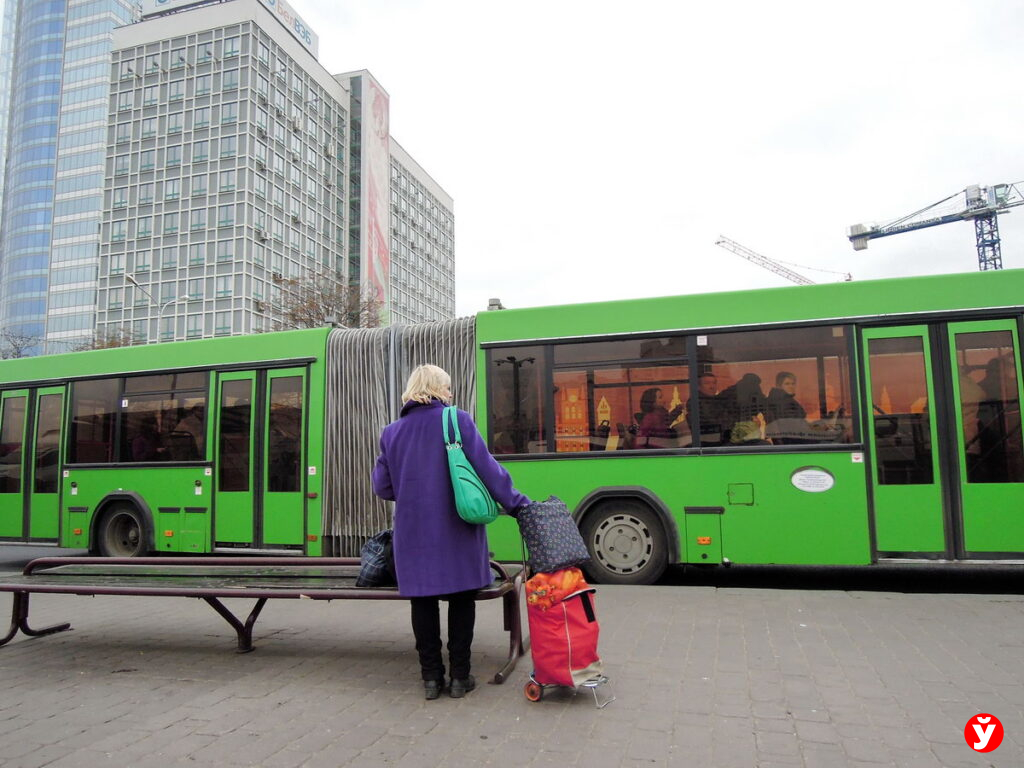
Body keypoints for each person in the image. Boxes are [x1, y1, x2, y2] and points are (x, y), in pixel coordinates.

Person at [372, 364, 530, 700]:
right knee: (461, 600)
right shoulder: (456, 420)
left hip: (413, 532)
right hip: (456, 529)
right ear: (437, 390)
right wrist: (518, 506)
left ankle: (431, 679)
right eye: (448, 388)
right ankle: (460, 677)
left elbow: (383, 487)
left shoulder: (391, 432)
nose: (450, 394)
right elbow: (488, 470)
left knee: (423, 603)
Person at [687, 372, 731, 446]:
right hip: (707, 444)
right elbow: (711, 421)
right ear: (698, 387)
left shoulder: (718, 401)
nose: (712, 386)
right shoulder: (696, 402)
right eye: (707, 383)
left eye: (714, 383)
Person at [765, 371, 810, 444]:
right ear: (779, 386)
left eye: (793, 384)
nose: (791, 386)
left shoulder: (780, 399)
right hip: (794, 441)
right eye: (787, 384)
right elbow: (792, 426)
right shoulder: (783, 402)